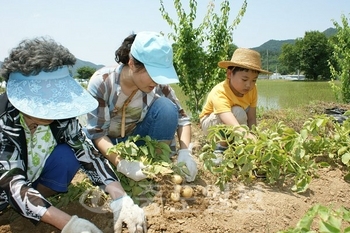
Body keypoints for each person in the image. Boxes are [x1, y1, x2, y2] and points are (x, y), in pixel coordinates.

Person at [0, 37, 147, 233]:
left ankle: (38, 203)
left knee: (68, 155)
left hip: (31, 177)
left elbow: (87, 152)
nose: (55, 108)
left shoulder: (61, 118)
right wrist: (68, 223)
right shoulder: (5, 121)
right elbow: (12, 183)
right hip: (5, 189)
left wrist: (120, 197)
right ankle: (29, 208)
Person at [84, 31, 197, 182]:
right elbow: (97, 133)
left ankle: (156, 165)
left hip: (137, 142)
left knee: (167, 108)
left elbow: (182, 118)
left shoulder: (158, 86)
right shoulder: (103, 83)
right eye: (153, 74)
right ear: (132, 64)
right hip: (108, 145)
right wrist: (122, 163)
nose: (156, 81)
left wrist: (185, 152)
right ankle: (118, 168)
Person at [199, 48, 271, 156]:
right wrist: (247, 136)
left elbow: (251, 118)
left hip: (234, 121)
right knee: (238, 112)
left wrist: (255, 136)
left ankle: (236, 145)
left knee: (240, 114)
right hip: (210, 124)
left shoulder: (252, 90)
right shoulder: (220, 91)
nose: (249, 85)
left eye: (254, 80)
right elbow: (228, 118)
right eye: (244, 79)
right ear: (229, 74)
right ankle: (221, 148)